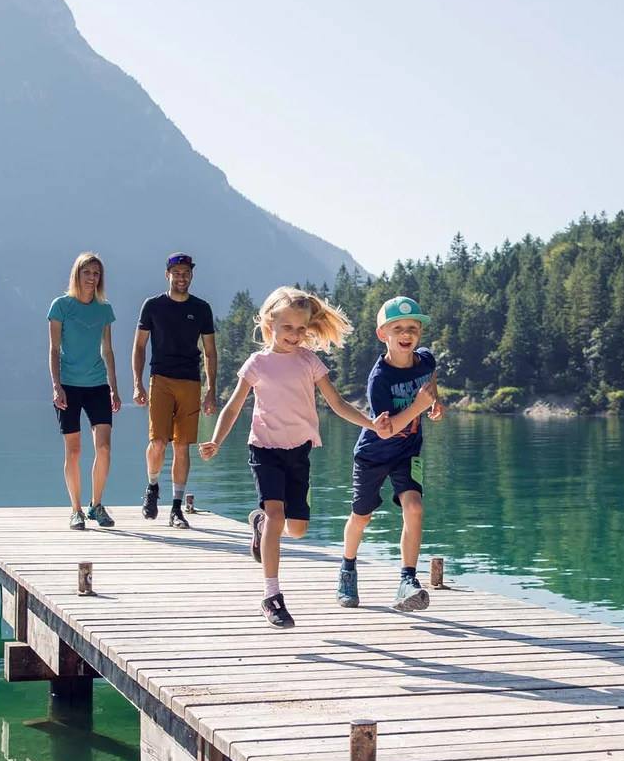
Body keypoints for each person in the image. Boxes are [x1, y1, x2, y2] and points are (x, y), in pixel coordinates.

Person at [199, 287, 386, 628]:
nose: (296, 335)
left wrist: (371, 423)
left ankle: (258, 525)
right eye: (288, 328)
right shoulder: (257, 364)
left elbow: (337, 403)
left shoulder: (309, 361)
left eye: (301, 329)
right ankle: (272, 595)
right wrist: (216, 440)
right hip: (265, 449)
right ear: (270, 324)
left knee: (296, 529)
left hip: (299, 451)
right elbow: (234, 406)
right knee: (276, 514)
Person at [339, 296, 444, 611]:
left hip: (408, 453)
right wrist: (418, 407)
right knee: (362, 516)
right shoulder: (379, 379)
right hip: (373, 454)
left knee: (414, 508)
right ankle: (347, 568)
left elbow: (431, 379)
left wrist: (434, 403)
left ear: (420, 332)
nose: (406, 332)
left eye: (413, 327)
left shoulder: (425, 360)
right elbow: (385, 428)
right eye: (397, 327)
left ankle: (407, 580)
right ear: (382, 333)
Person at [131, 253, 217, 529]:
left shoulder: (202, 308)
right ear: (167, 274)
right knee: (158, 441)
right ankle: (153, 487)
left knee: (182, 446)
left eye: (186, 272)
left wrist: (212, 390)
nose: (182, 277)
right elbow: (140, 347)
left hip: (190, 381)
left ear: (192, 275)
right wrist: (137, 383)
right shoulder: (153, 306)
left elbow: (210, 352)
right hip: (161, 379)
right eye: (176, 272)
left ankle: (177, 508)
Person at [47, 253, 121, 530]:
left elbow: (108, 350)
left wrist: (114, 388)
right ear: (77, 275)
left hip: (97, 384)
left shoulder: (104, 309)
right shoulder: (61, 306)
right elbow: (54, 350)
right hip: (68, 385)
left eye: (96, 274)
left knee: (104, 448)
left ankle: (96, 505)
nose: (92, 278)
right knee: (74, 450)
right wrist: (56, 386)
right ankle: (75, 510)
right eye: (87, 273)